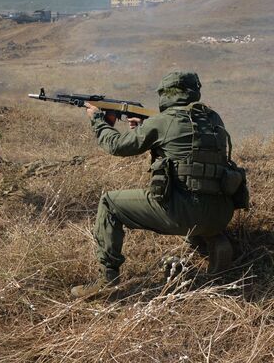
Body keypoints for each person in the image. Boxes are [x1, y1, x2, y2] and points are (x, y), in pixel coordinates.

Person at [71, 71, 238, 299]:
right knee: (196, 188)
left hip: (185, 213)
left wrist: (98, 120)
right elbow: (184, 141)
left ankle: (107, 280)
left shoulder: (162, 122)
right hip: (221, 214)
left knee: (109, 203)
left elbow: (116, 146)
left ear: (166, 94)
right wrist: (145, 127)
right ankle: (214, 241)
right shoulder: (213, 118)